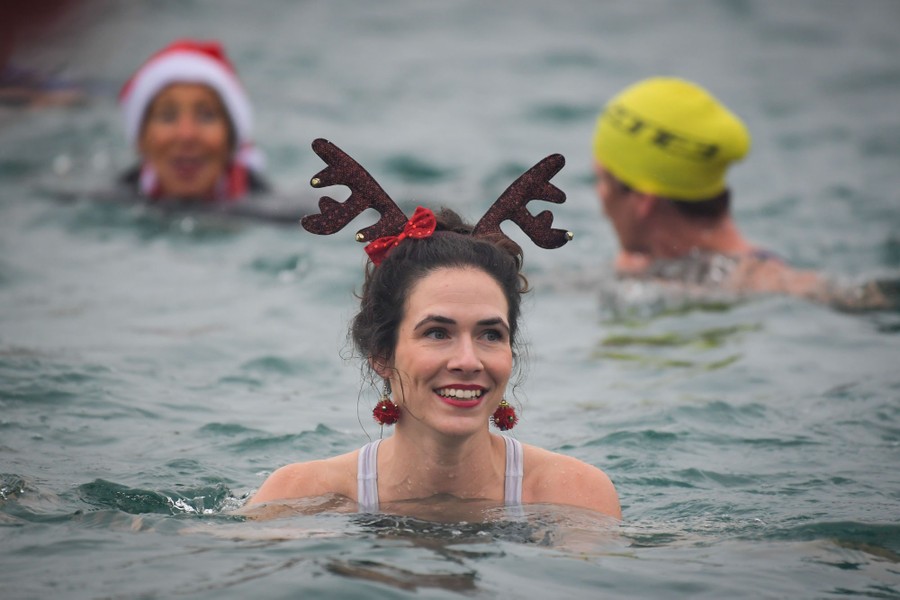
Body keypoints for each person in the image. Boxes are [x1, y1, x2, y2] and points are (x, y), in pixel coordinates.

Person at [246, 139, 621, 519]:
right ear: (381, 354)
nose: (467, 360)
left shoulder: (573, 496)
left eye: (491, 334)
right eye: (437, 333)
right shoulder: (299, 499)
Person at [591, 76, 894, 310]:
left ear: (643, 202)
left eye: (603, 181)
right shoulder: (644, 270)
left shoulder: (772, 285)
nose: (600, 198)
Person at [118, 39, 268, 202]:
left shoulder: (273, 211)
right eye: (167, 116)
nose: (186, 135)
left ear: (232, 139)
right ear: (141, 139)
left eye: (207, 116)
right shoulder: (110, 201)